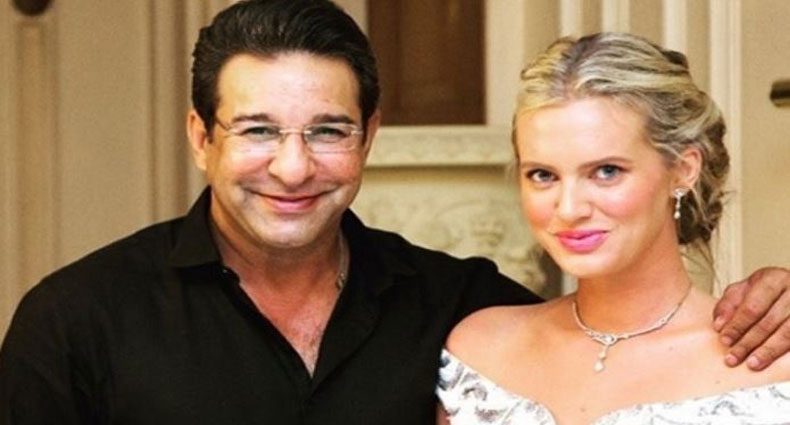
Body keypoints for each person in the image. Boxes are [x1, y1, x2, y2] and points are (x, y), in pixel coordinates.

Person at [0, 2, 786, 423]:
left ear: (369, 135)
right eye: (258, 130)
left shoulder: (458, 308)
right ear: (201, 137)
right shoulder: (75, 321)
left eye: (328, 130)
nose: (293, 166)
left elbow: (613, 324)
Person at [437, 32, 790, 424]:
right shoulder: (479, 353)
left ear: (683, 170)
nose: (569, 209)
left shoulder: (774, 366)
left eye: (606, 171)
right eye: (543, 175)